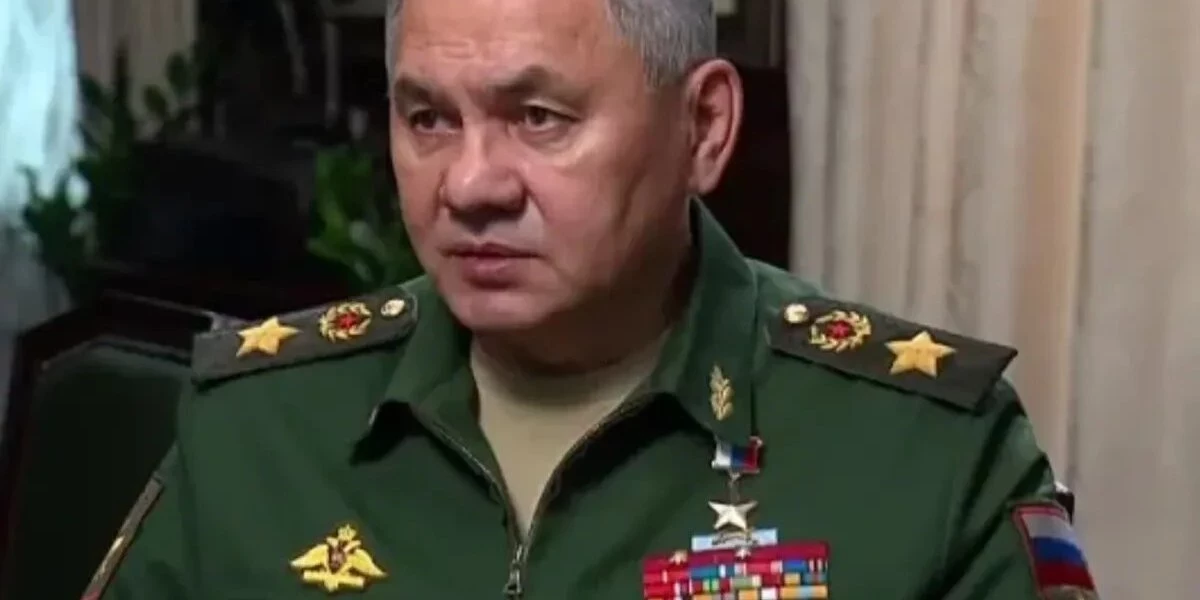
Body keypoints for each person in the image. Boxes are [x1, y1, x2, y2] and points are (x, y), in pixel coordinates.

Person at [85, 0, 1100, 598]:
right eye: (427, 119)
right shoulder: (257, 429)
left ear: (703, 128)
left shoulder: (927, 457)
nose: (470, 184)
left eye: (539, 117)